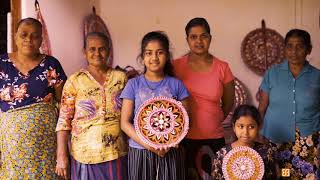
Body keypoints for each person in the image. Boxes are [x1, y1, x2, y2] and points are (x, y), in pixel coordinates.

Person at [55, 32, 128, 179]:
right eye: (92, 49)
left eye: (102, 49)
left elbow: (129, 114)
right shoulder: (75, 80)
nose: (97, 53)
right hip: (84, 154)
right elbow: (64, 121)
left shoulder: (120, 77)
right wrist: (61, 156)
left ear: (108, 50)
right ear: (84, 52)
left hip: (116, 151)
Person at [0, 17, 67, 178]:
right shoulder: (2, 63)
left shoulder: (51, 64)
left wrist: (62, 152)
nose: (28, 39)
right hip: (11, 146)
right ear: (15, 36)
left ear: (41, 40)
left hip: (45, 145)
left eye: (34, 36)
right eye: (23, 34)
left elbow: (64, 105)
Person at [120, 31, 189, 180]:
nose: (154, 58)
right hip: (140, 150)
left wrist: (169, 144)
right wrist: (150, 145)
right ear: (143, 57)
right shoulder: (133, 84)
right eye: (149, 53)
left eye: (160, 53)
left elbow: (185, 122)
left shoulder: (177, 85)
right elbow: (125, 123)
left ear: (167, 56)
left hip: (170, 151)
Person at [173, 17, 235, 178]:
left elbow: (228, 103)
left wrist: (213, 118)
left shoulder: (223, 67)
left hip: (214, 137)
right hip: (183, 138)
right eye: (193, 37)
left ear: (210, 38)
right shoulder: (175, 66)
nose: (199, 41)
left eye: (204, 36)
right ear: (187, 40)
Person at [258, 29, 320, 179]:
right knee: (282, 176)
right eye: (290, 46)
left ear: (308, 49)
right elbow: (262, 107)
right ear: (285, 48)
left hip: (308, 141)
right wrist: (259, 134)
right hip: (275, 139)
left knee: (305, 177)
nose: (294, 51)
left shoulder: (317, 76)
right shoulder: (272, 74)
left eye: (300, 46)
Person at [211, 105, 278, 179]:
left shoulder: (266, 153)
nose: (245, 132)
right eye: (241, 126)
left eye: (251, 127)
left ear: (258, 127)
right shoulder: (223, 154)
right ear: (234, 127)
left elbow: (273, 177)